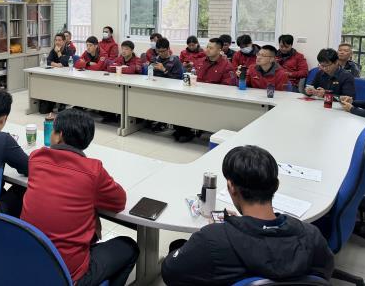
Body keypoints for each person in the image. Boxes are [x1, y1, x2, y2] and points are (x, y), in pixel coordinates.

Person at [160, 145, 334, 285]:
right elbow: (323, 272)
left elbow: (170, 272)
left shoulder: (213, 239)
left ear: (231, 187)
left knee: (178, 245)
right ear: (276, 185)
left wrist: (215, 232)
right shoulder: (312, 235)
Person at [21, 109, 139, 286]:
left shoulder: (36, 158)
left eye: (53, 130)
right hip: (68, 274)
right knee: (129, 246)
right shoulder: (93, 171)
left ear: (59, 136)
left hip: (29, 260)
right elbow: (119, 201)